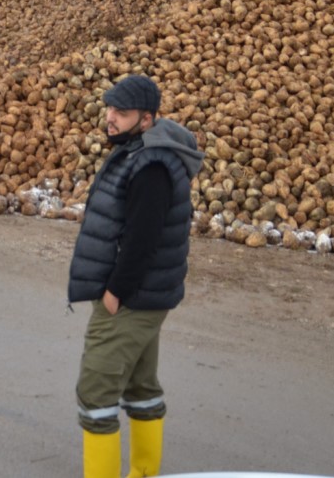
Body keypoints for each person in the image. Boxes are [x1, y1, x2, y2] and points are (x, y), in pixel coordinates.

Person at [66, 75, 204, 478]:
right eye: (109, 109)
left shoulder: (151, 165)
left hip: (131, 298)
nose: (110, 118)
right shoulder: (140, 150)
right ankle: (144, 473)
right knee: (141, 389)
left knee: (95, 394)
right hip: (145, 295)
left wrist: (115, 292)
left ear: (146, 119)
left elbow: (144, 239)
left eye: (120, 113)